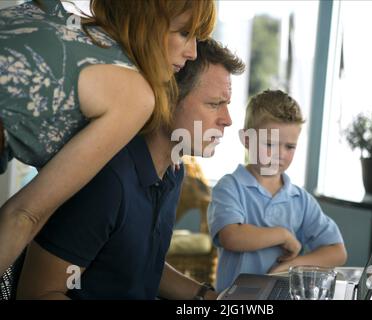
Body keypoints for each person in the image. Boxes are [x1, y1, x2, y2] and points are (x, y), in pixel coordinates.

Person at [16, 39, 245, 300]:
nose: (227, 120)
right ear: (167, 100)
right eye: (214, 104)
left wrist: (211, 299)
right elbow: (38, 293)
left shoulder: (172, 171)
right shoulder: (107, 180)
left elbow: (140, 267)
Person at [0, 0, 216, 275]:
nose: (193, 52)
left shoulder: (51, 12)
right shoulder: (135, 95)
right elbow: (24, 214)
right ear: (146, 22)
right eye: (184, 33)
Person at [207, 90, 348, 292]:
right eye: (269, 143)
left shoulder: (300, 199)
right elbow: (232, 236)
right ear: (246, 140)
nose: (280, 154)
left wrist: (289, 267)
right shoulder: (230, 187)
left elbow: (337, 252)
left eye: (290, 146)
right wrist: (283, 235)